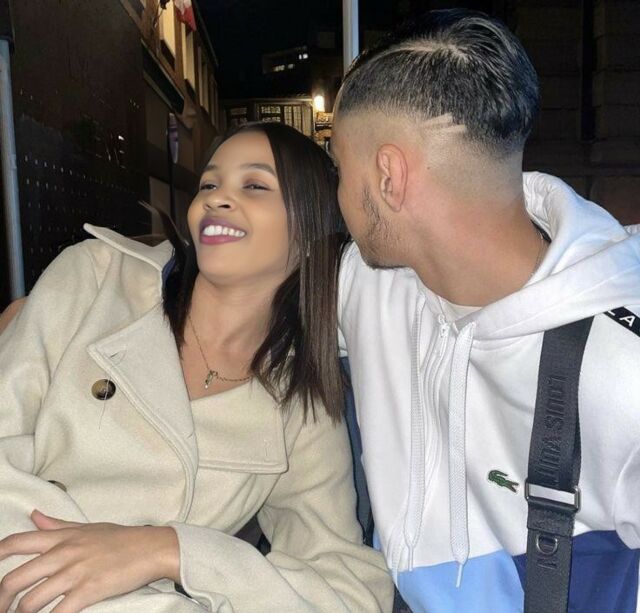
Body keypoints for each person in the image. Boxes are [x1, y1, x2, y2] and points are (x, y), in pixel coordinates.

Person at [0, 122, 394, 612]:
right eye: (209, 184)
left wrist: (171, 550)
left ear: (310, 231)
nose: (217, 199)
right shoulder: (97, 276)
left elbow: (347, 589)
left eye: (254, 186)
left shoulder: (300, 401)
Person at [330, 8, 640, 613]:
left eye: (339, 167)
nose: (336, 193)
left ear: (388, 176)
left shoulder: (624, 369)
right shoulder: (370, 282)